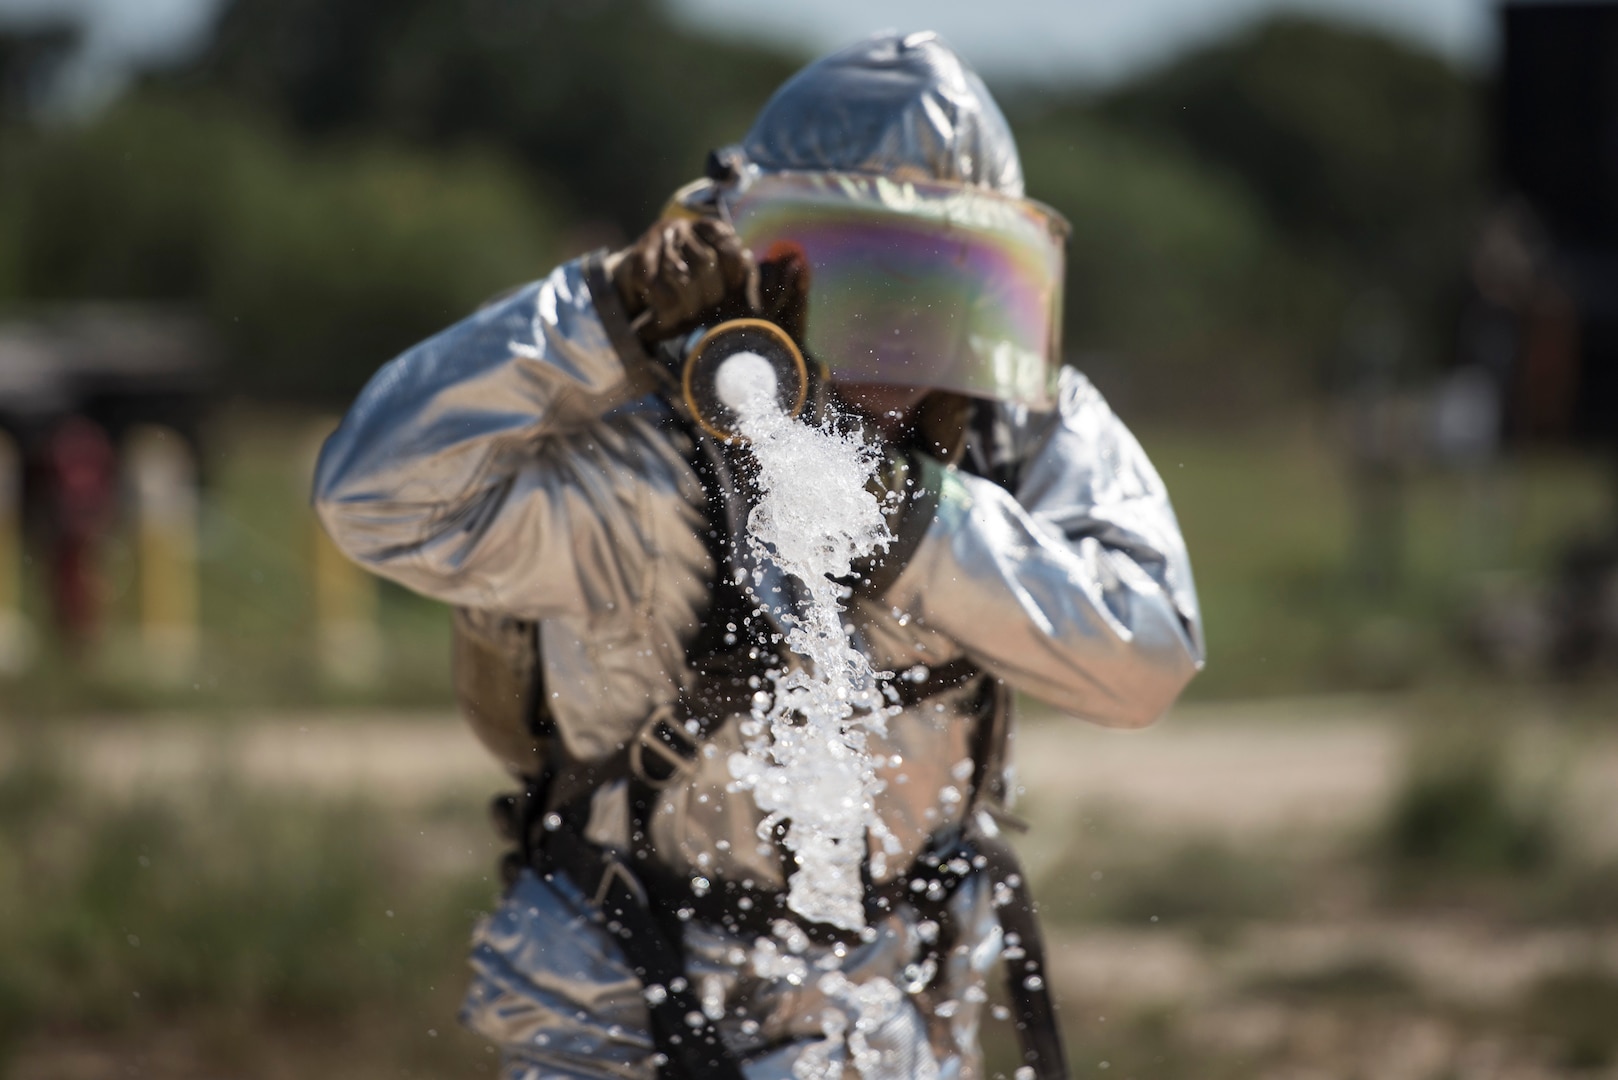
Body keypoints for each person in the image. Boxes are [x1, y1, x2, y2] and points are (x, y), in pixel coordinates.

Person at [314, 30, 1203, 1080]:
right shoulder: (648, 468)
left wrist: (903, 517)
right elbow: (373, 496)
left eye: (941, 299)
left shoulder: (1022, 448)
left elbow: (1147, 655)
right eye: (854, 289)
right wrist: (602, 312)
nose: (892, 354)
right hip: (620, 1025)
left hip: (893, 1020)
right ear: (754, 275)